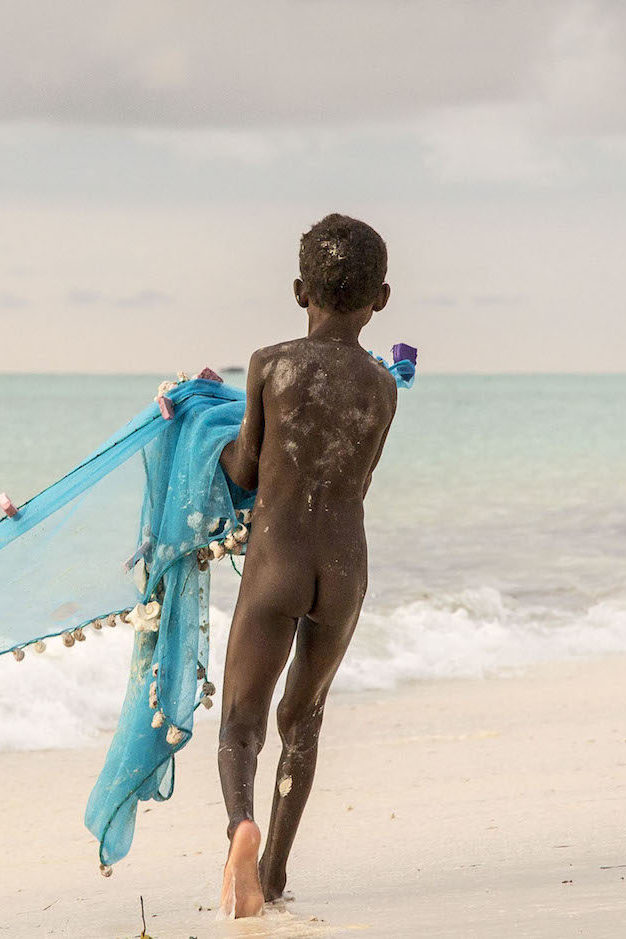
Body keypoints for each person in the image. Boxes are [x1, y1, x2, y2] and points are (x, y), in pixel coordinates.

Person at [213, 213, 399, 917]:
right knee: (305, 718)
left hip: (277, 561)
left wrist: (210, 448)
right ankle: (277, 869)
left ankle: (242, 827)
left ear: (300, 291)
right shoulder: (383, 388)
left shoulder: (271, 363)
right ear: (380, 299)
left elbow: (245, 469)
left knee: (241, 723)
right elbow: (361, 477)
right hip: (345, 567)